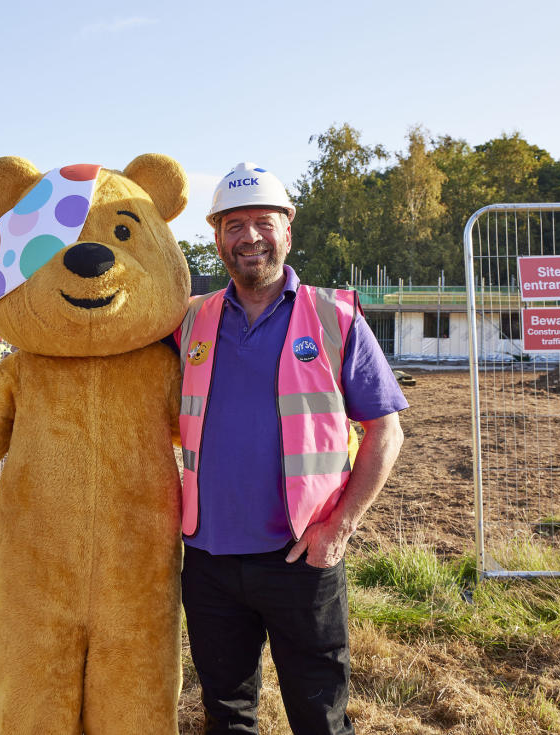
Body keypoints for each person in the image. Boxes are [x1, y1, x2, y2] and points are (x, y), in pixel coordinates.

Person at [177, 162, 406, 735]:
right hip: (208, 559)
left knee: (319, 716)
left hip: (302, 556)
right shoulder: (189, 320)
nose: (248, 237)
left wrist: (341, 527)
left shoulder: (334, 317)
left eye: (262, 222)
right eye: (234, 225)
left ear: (288, 228)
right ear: (216, 237)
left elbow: (385, 430)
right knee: (226, 714)